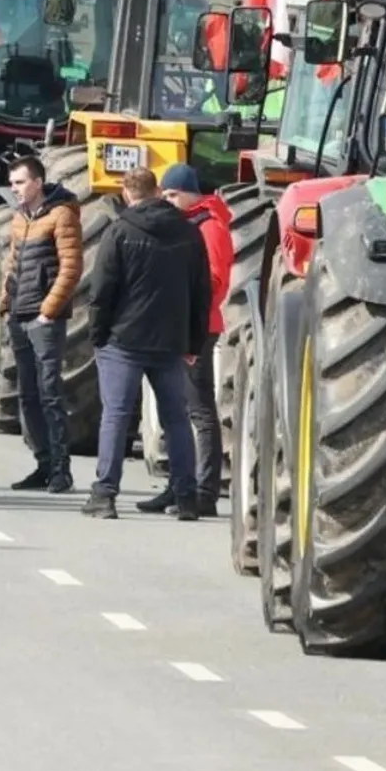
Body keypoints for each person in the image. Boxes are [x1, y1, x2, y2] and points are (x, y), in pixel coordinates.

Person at [83, 168, 208, 520]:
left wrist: (98, 335)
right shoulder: (188, 232)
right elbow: (201, 292)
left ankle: (105, 495)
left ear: (126, 193)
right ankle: (185, 496)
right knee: (176, 419)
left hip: (123, 340)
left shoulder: (120, 231)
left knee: (117, 416)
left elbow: (101, 291)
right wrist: (194, 342)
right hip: (170, 341)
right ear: (157, 191)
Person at [148, 163, 232, 517]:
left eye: (171, 194)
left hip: (197, 328)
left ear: (188, 193)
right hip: (178, 326)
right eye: (163, 195)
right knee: (177, 409)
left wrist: (187, 316)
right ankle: (178, 486)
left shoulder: (209, 226)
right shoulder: (187, 224)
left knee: (199, 410)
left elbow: (214, 278)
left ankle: (204, 491)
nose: (167, 201)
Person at [0, 155, 82, 493]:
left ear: (37, 182)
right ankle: (42, 463)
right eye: (12, 183)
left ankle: (62, 470)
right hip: (19, 315)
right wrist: (5, 302)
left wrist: (48, 310)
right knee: (27, 395)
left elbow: (71, 267)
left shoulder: (61, 215)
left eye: (19, 182)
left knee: (50, 394)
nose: (14, 189)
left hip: (44, 319)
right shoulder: (20, 218)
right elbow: (13, 262)